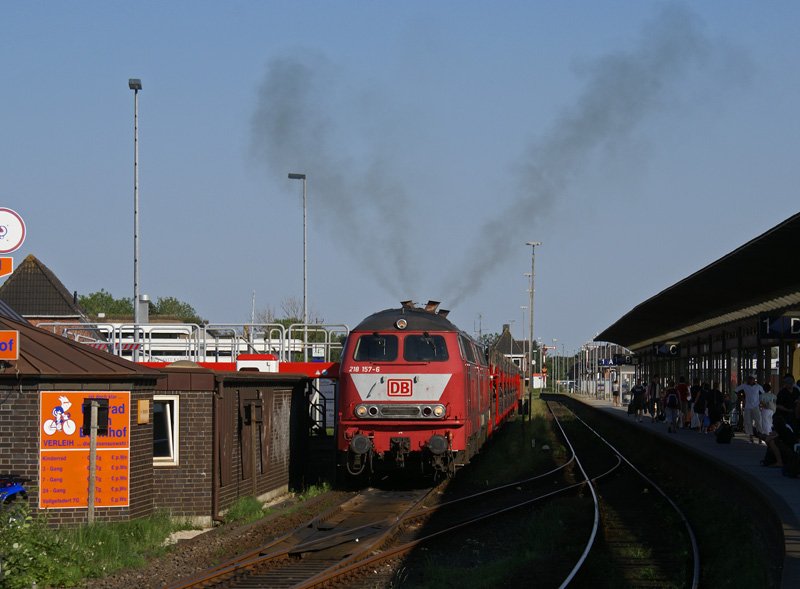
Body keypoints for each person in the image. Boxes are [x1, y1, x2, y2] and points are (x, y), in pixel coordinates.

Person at [735, 374, 765, 443]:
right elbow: (736, 390)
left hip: (756, 406)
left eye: (752, 379)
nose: (751, 381)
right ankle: (751, 436)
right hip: (748, 407)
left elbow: (762, 394)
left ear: (754, 380)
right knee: (748, 422)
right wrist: (742, 398)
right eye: (750, 379)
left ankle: (760, 437)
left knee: (758, 421)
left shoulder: (758, 387)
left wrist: (761, 402)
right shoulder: (744, 386)